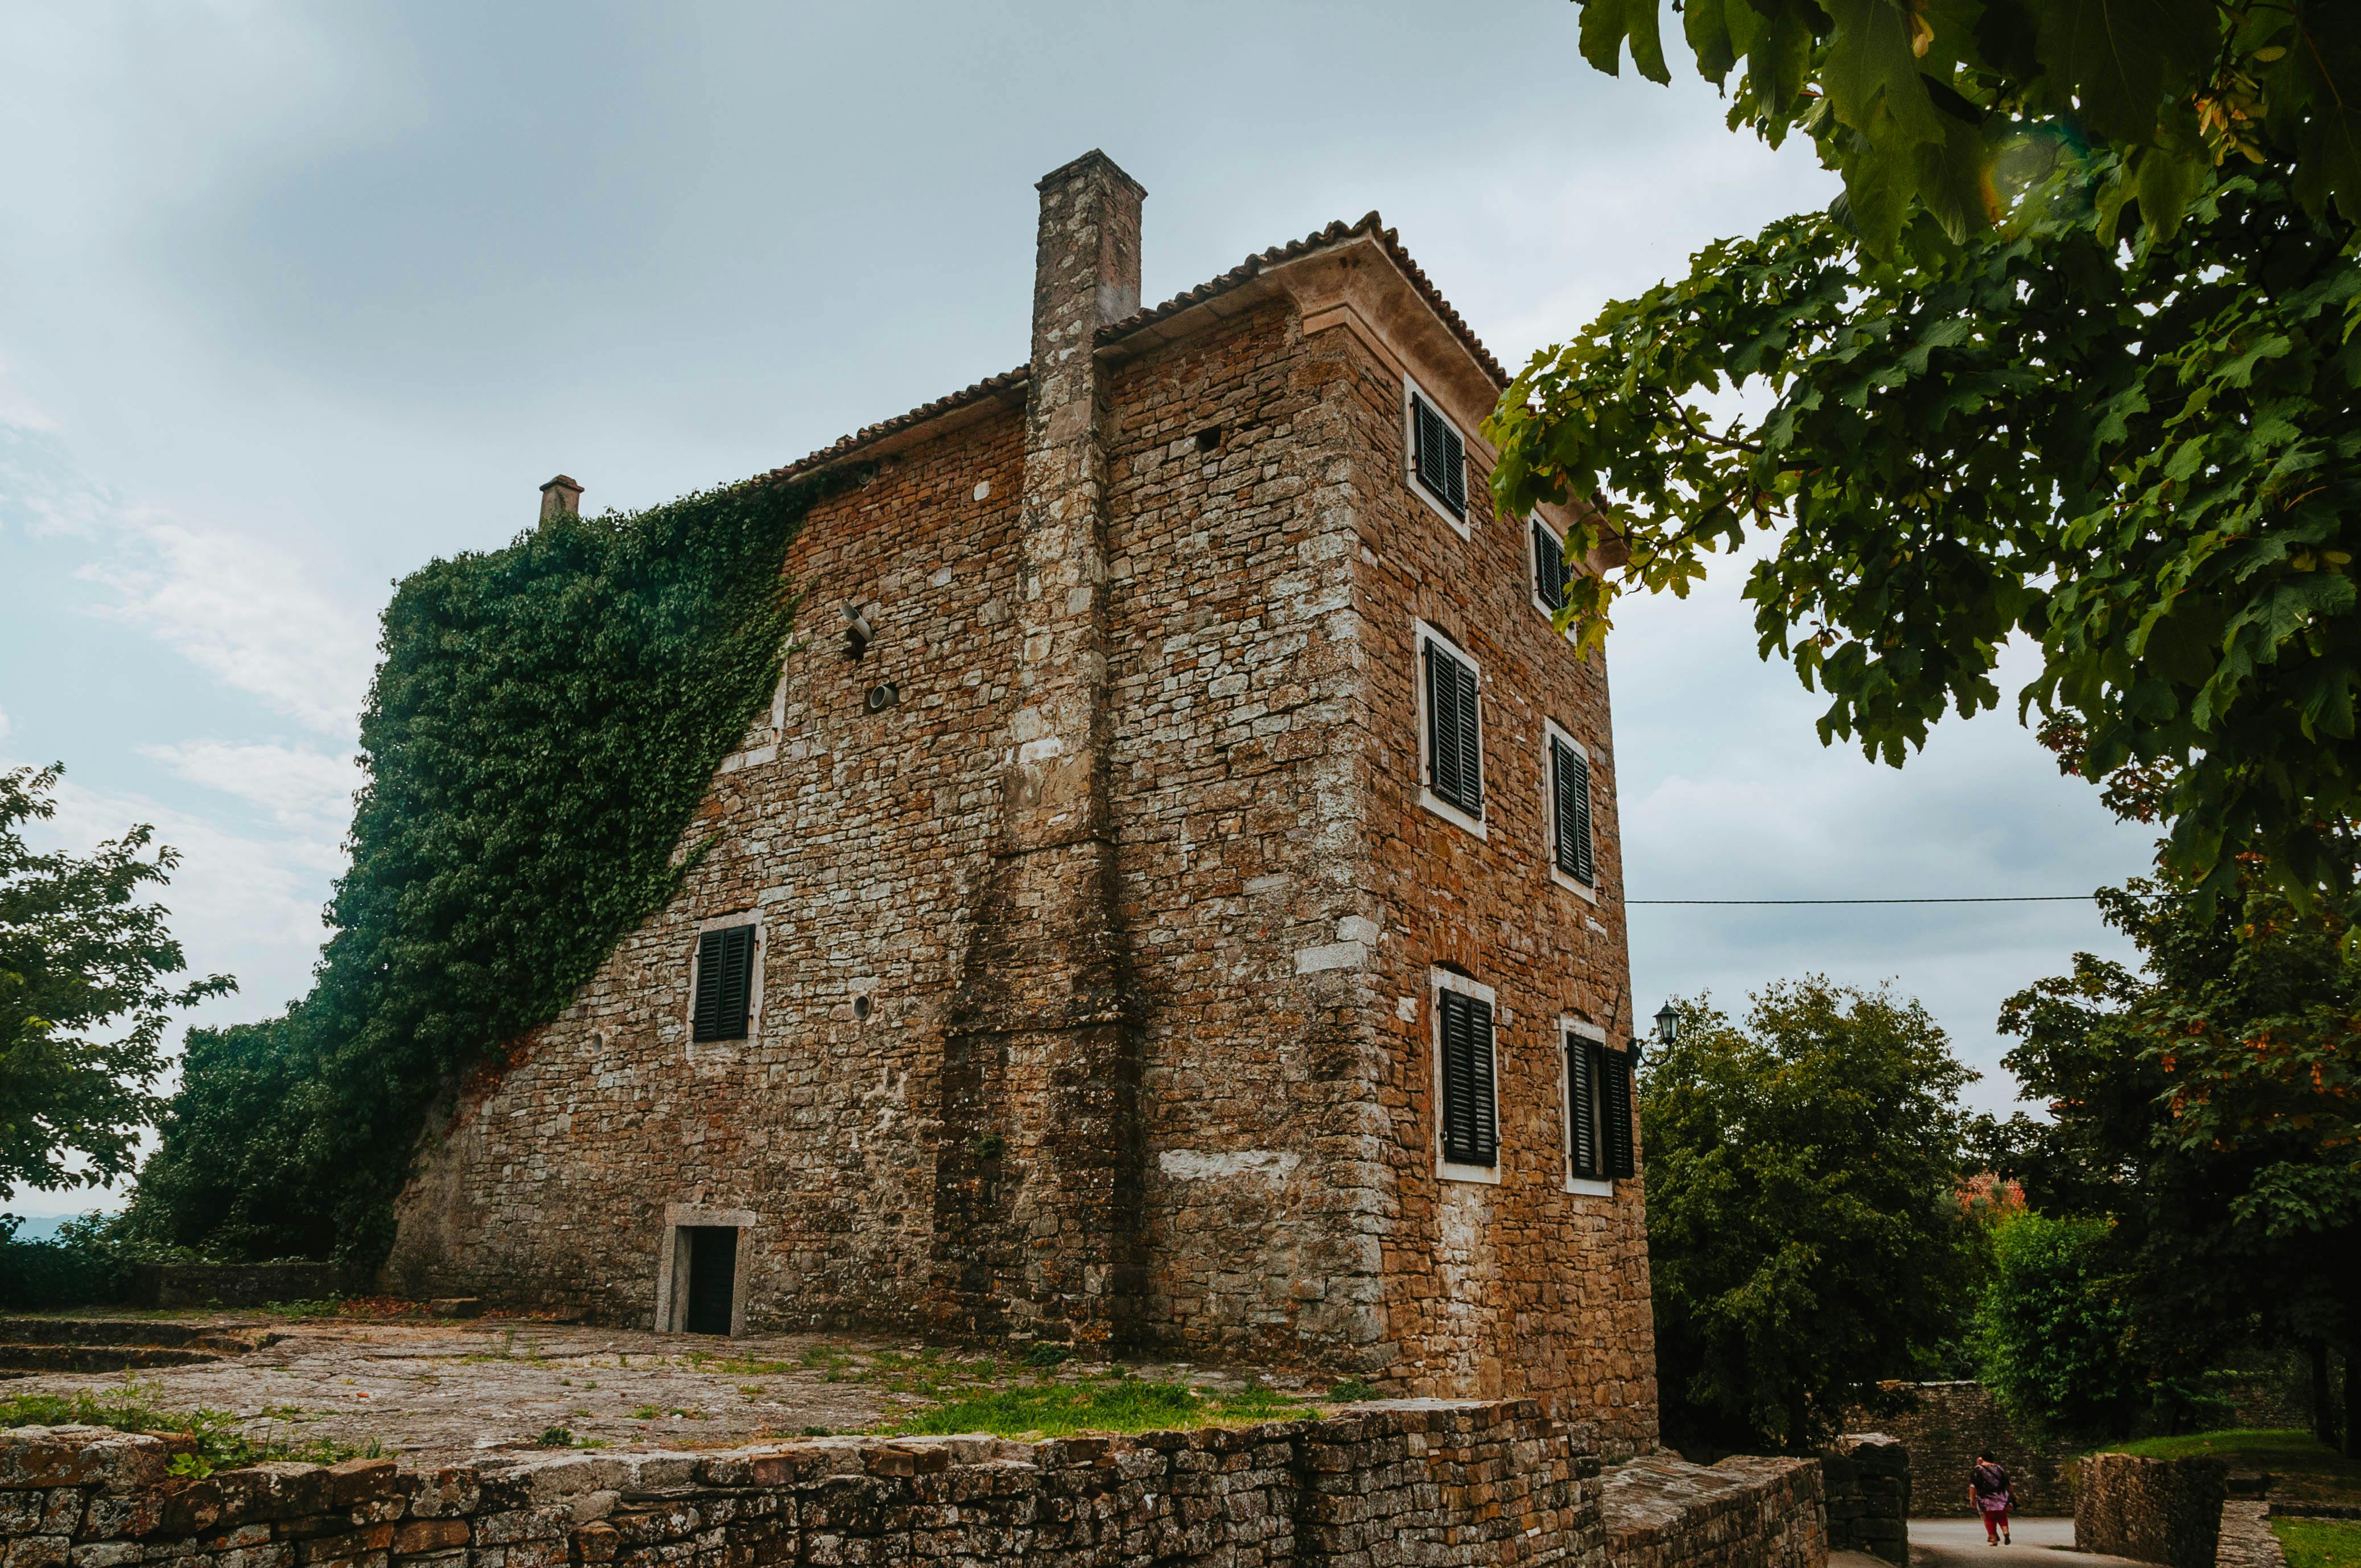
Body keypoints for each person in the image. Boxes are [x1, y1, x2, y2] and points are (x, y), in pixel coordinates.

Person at [1970, 1452, 2013, 1546]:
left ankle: (1994, 1540)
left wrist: (1972, 1498)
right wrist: (2013, 1495)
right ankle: (2006, 1532)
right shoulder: (1999, 1468)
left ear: (1983, 1459)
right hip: (2001, 1496)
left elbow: (1973, 1485)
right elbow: (2008, 1483)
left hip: (1986, 1498)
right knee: (2002, 1516)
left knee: (1990, 1518)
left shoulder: (1978, 1469)